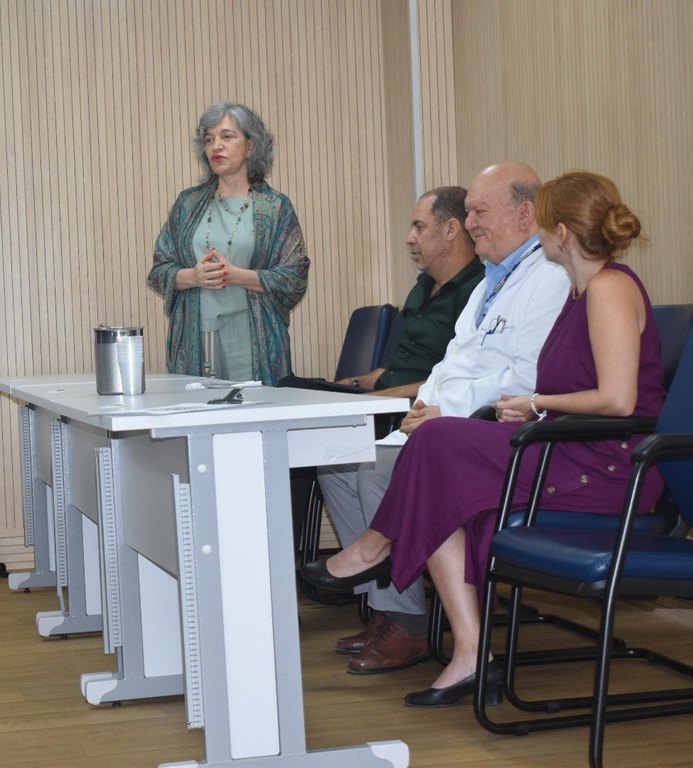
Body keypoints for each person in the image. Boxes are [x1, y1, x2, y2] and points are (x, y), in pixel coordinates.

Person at [303, 170, 666, 708]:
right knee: (447, 479)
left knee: (438, 445)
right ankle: (471, 655)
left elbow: (617, 401)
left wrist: (537, 404)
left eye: (542, 225)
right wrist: (532, 407)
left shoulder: (609, 288)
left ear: (560, 232)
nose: (537, 236)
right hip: (564, 448)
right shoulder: (579, 292)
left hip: (608, 466)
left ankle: (377, 547)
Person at [316, 162, 570, 674]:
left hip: (495, 429)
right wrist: (423, 407)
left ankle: (405, 620)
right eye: (468, 210)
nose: (469, 221)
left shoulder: (550, 278)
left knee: (381, 472)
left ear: (525, 213)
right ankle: (388, 609)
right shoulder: (488, 283)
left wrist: (442, 412)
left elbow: (530, 378)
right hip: (448, 420)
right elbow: (452, 362)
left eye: (479, 210)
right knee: (340, 464)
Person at [147, 101, 309, 385]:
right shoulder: (188, 203)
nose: (216, 146)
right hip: (195, 336)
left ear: (251, 147)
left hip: (252, 338)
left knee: (252, 418)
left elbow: (294, 277)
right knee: (197, 417)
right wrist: (193, 276)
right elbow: (159, 271)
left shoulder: (275, 207)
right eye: (209, 139)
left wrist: (236, 275)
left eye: (227, 136)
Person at [335, 186, 485, 398]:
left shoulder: (480, 291)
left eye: (419, 227)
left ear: (450, 230)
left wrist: (378, 400)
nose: (409, 238)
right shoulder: (422, 287)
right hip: (385, 402)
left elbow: (457, 382)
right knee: (296, 387)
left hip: (419, 411)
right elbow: (396, 368)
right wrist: (354, 384)